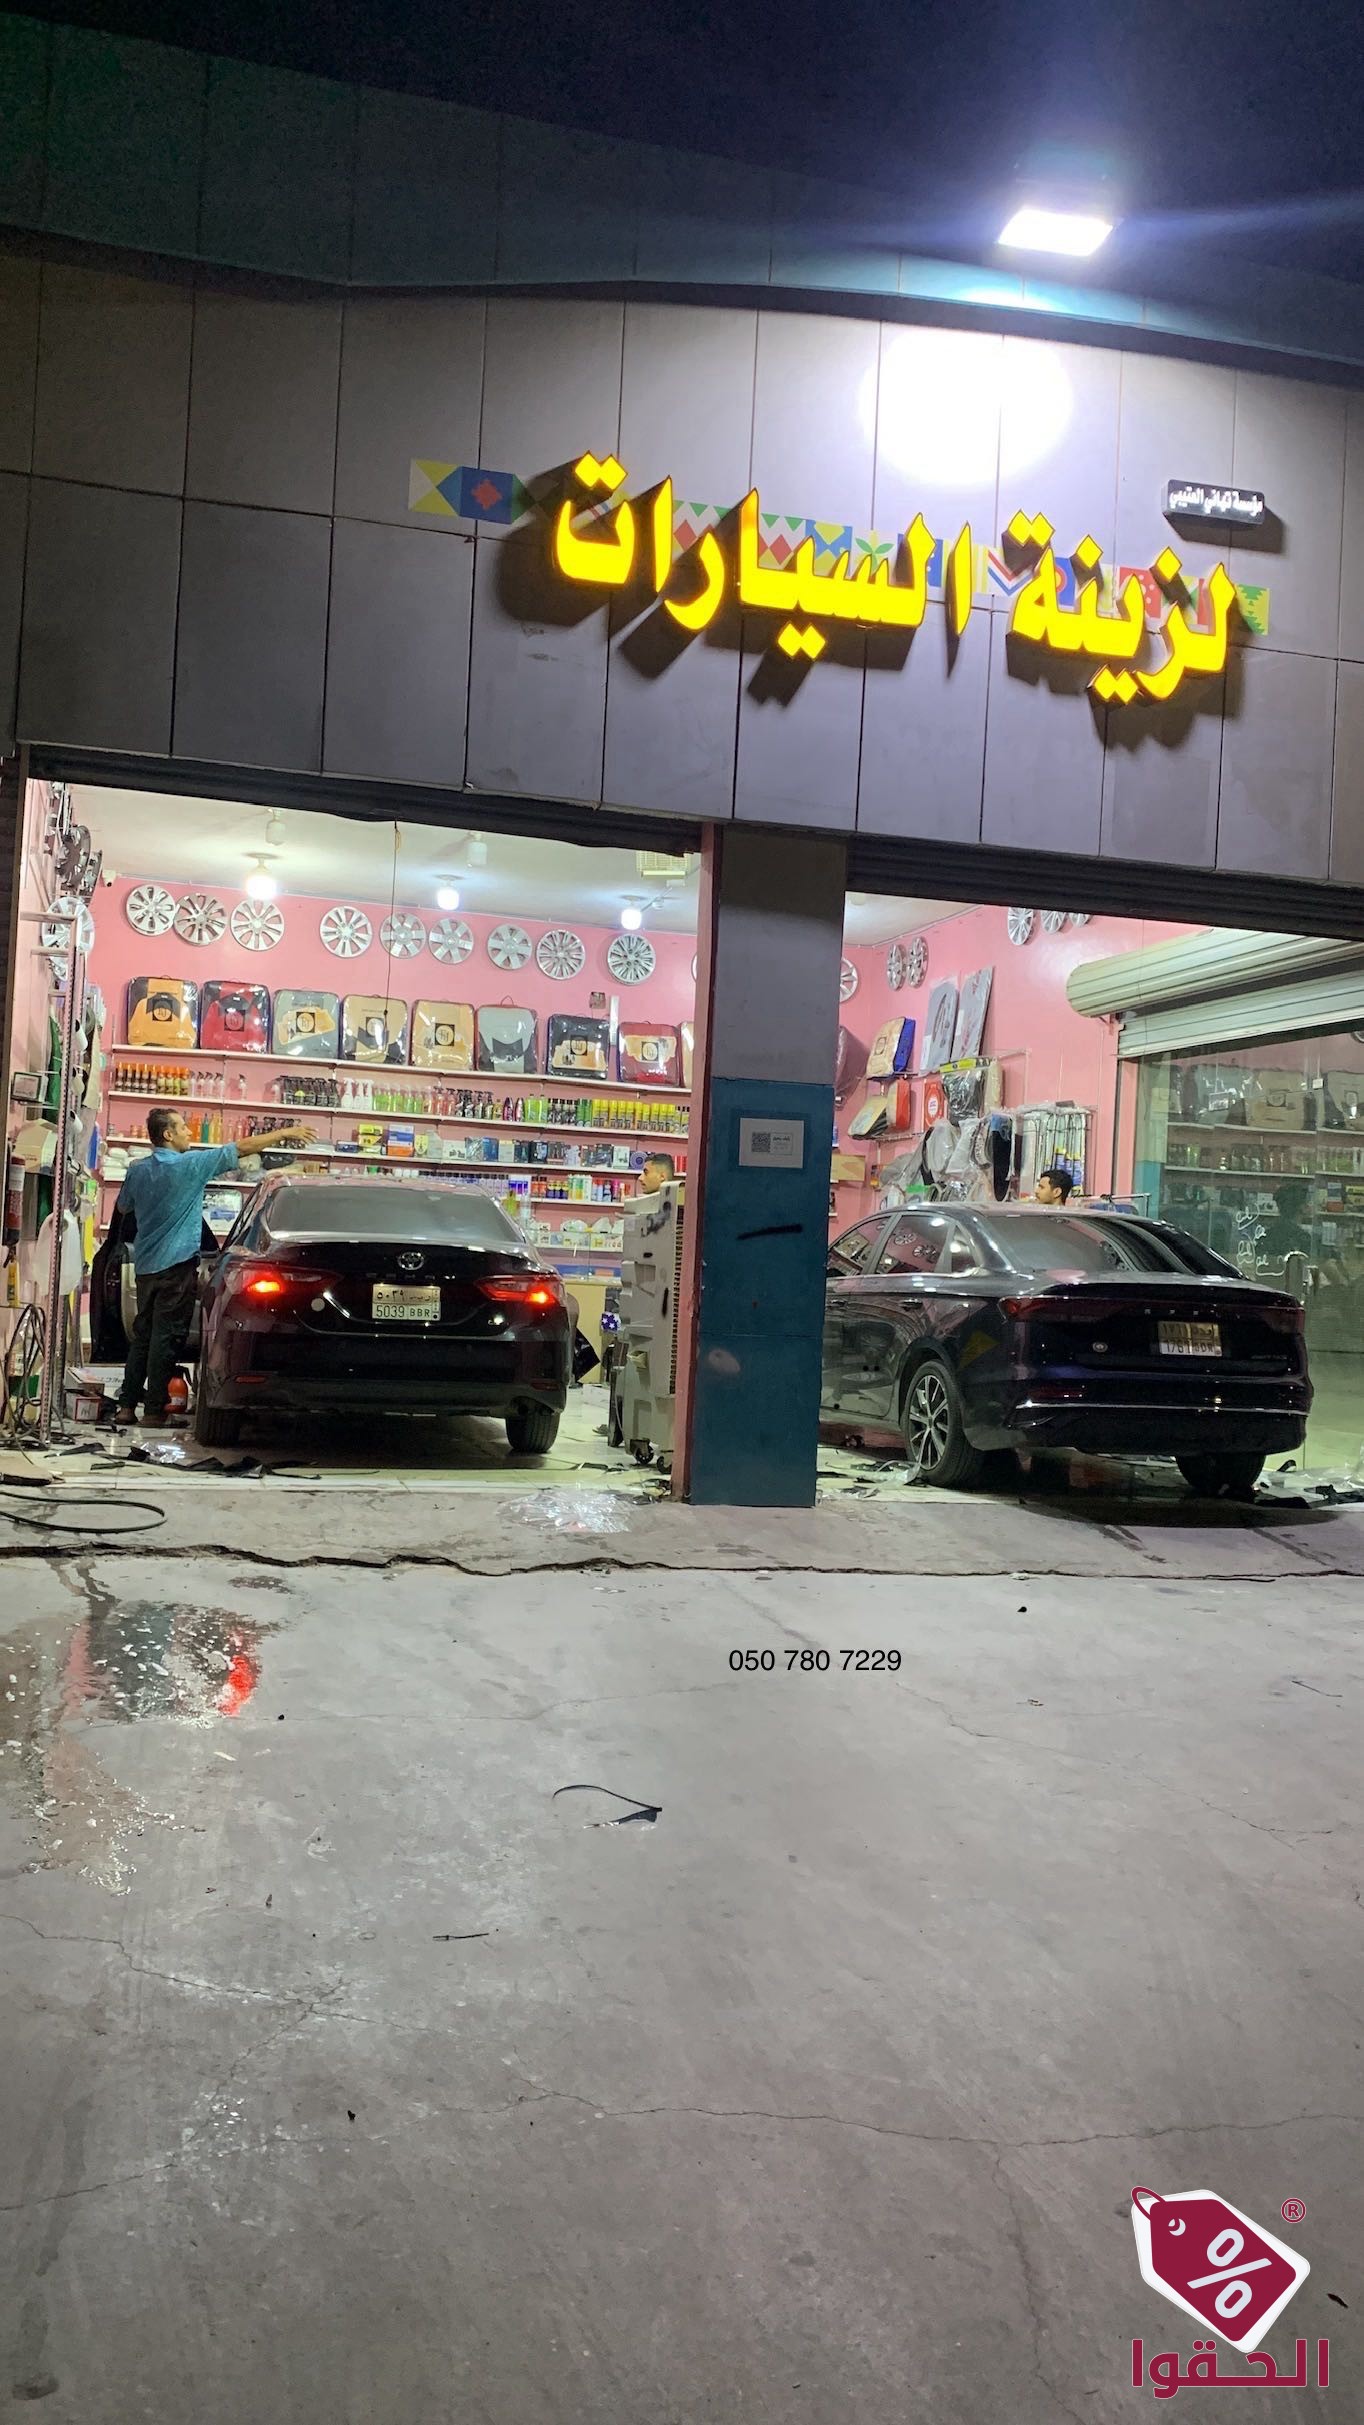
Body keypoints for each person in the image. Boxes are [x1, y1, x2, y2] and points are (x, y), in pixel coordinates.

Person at [115, 1106, 315, 1428]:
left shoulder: (137, 1170)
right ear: (168, 1134)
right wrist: (286, 1133)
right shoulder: (191, 1165)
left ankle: (126, 1407)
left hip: (146, 1264)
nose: (189, 1132)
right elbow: (242, 1148)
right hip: (177, 1265)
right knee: (166, 1337)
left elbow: (124, 1206)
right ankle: (154, 1411)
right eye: (183, 1127)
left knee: (143, 1335)